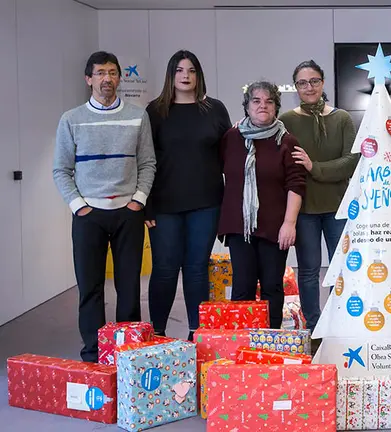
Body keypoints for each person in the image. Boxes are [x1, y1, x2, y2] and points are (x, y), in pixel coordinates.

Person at [52, 51, 156, 362]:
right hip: (89, 215)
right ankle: (93, 354)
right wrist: (79, 206)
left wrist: (138, 200)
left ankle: (127, 352)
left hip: (128, 213)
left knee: (129, 287)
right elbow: (61, 169)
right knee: (90, 288)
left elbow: (148, 163)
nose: (106, 79)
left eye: (112, 73)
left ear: (119, 78)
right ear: (89, 79)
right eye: (99, 73)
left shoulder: (138, 116)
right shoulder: (71, 119)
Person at [144, 50, 231, 341]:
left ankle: (197, 334)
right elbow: (144, 160)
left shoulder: (215, 109)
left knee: (197, 269)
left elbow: (229, 156)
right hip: (164, 205)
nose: (186, 76)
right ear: (171, 75)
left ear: (199, 75)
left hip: (206, 204)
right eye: (180, 70)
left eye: (191, 70)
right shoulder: (155, 111)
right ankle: (158, 334)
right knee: (165, 269)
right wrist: (146, 205)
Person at [279, 60, 358, 341]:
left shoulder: (342, 118)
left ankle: (340, 323)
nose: (309, 87)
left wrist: (315, 168)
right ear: (296, 87)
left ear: (323, 82)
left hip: (337, 208)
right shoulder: (286, 121)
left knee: (342, 271)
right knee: (309, 271)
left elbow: (352, 161)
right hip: (304, 209)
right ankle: (314, 328)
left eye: (314, 81)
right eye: (302, 83)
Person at [218, 81, 306, 329]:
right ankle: (242, 341)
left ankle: (271, 339)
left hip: (275, 227)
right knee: (242, 287)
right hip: (240, 227)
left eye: (269, 101)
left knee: (272, 286)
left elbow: (296, 184)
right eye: (256, 101)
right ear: (247, 106)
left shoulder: (287, 141)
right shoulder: (231, 138)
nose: (262, 106)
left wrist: (289, 224)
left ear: (276, 107)